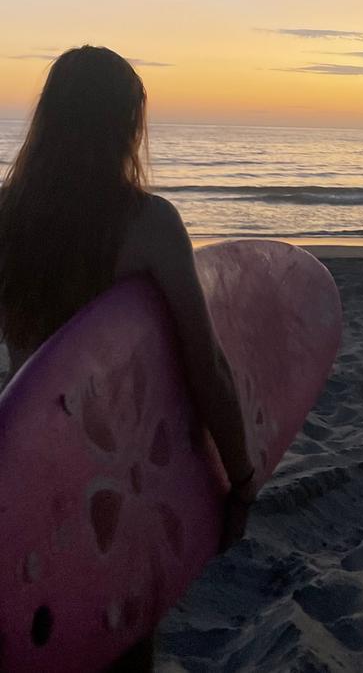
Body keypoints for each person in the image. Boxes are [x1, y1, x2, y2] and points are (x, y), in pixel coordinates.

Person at [0, 45, 257, 671]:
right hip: (114, 464)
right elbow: (208, 368)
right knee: (117, 631)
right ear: (123, 124)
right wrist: (242, 478)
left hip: (25, 460)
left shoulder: (6, 217)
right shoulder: (148, 223)